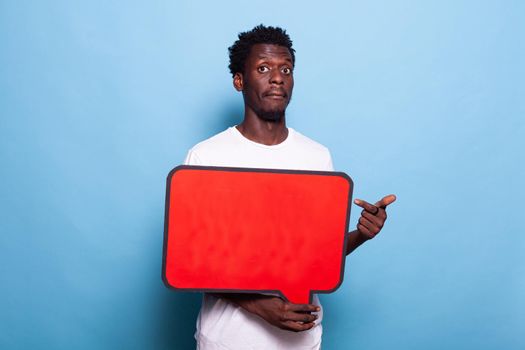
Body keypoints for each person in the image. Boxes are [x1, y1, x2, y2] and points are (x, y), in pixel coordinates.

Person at [183, 24, 396, 350]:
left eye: (286, 69)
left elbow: (317, 255)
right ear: (240, 80)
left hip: (300, 341)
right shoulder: (207, 155)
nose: (278, 77)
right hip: (225, 342)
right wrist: (258, 306)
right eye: (263, 68)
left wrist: (361, 235)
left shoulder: (316, 156)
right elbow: (190, 260)